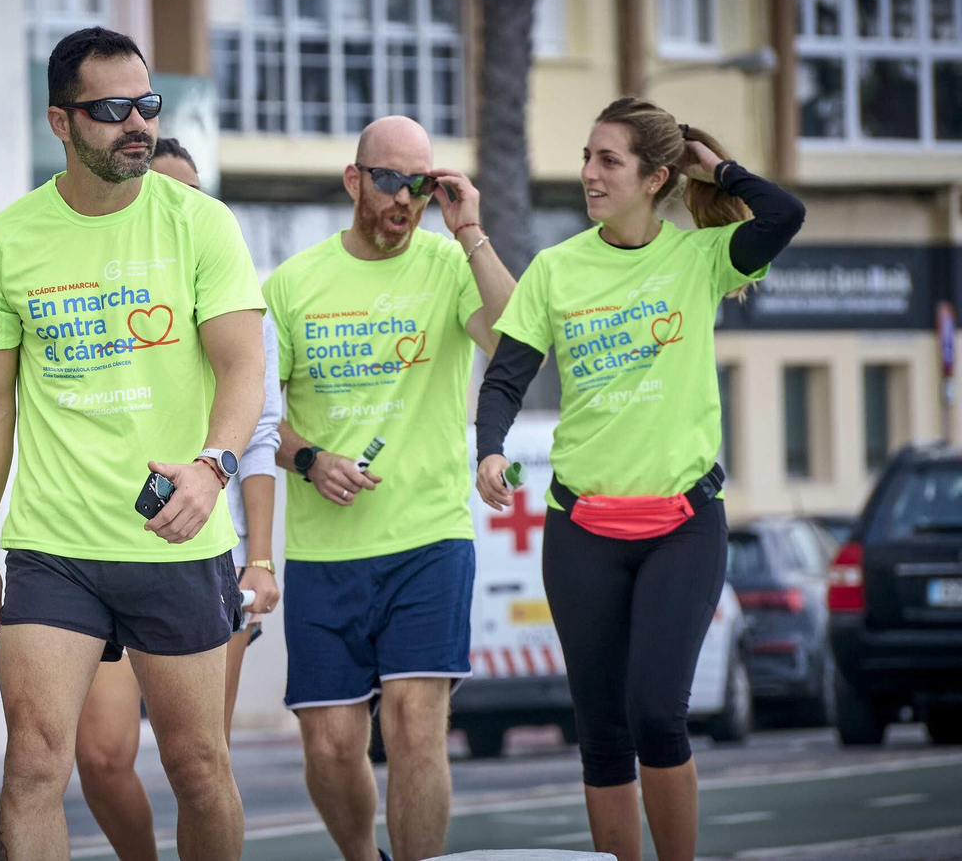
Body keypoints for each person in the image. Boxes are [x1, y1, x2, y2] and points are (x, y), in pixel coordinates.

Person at [0, 28, 266, 860]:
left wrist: (212, 468)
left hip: (176, 536)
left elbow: (244, 368)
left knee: (198, 767)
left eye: (147, 105)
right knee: (33, 766)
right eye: (112, 109)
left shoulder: (202, 224)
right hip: (54, 545)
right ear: (60, 121)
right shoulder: (4, 242)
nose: (138, 124)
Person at [473, 97, 805, 861]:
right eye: (587, 158)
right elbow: (505, 380)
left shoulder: (701, 257)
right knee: (602, 732)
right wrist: (490, 450)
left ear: (656, 178)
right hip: (582, 530)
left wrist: (717, 167)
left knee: (657, 714)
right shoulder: (556, 270)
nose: (590, 173)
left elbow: (785, 214)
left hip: (682, 527)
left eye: (609, 160)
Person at [262, 115, 517, 861]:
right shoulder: (292, 285)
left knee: (413, 726)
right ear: (354, 180)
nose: (404, 198)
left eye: (420, 184)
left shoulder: (449, 266)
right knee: (331, 747)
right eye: (388, 180)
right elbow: (258, 416)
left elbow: (518, 340)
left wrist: (472, 232)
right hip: (325, 553)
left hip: (428, 540)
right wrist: (311, 460)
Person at [70, 138, 283, 861]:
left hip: (203, 553)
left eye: (190, 191)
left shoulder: (227, 279)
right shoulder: (92, 284)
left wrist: (260, 560)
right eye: (163, 188)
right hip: (96, 548)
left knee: (199, 762)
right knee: (100, 757)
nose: (175, 203)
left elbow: (260, 436)